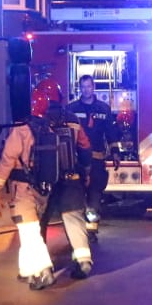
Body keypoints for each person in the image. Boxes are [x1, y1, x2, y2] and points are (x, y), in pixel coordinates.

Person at [0, 82, 62, 291]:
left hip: (23, 190)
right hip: (43, 190)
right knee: (28, 228)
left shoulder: (21, 130)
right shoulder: (48, 128)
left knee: (29, 231)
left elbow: (7, 161)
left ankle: (44, 271)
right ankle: (28, 270)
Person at [42, 99, 97, 279]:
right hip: (70, 177)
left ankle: (41, 267)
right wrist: (86, 171)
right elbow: (85, 147)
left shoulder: (34, 120)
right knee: (73, 218)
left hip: (43, 181)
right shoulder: (72, 119)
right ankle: (83, 261)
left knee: (38, 222)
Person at [69, 74, 113, 232]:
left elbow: (110, 132)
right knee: (79, 193)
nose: (86, 90)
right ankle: (81, 226)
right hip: (77, 160)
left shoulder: (104, 109)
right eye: (83, 87)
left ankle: (92, 228)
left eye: (89, 86)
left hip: (96, 158)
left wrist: (115, 152)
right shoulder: (71, 109)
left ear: (93, 87)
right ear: (79, 88)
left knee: (95, 194)